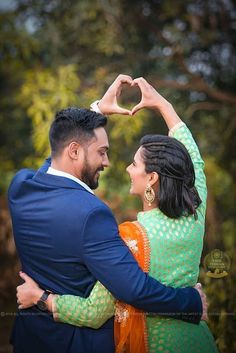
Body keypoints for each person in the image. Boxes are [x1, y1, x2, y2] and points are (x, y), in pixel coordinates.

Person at [15, 76, 218, 353]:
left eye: (134, 164)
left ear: (152, 178)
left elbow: (95, 311)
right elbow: (194, 160)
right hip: (198, 342)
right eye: (102, 152)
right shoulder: (196, 209)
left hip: (154, 345)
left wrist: (41, 297)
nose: (120, 166)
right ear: (74, 150)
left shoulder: (22, 188)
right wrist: (163, 105)